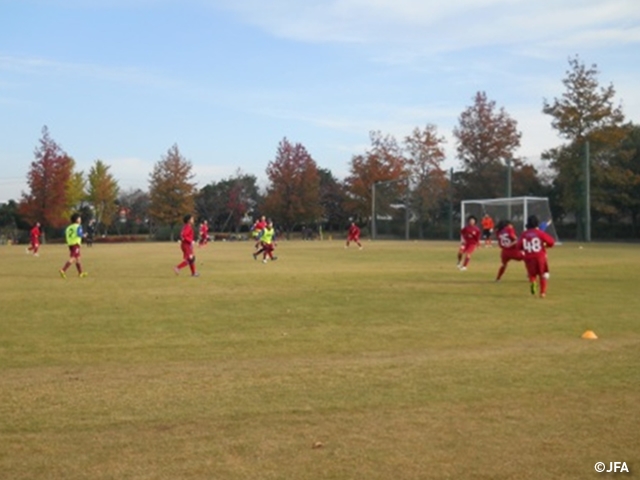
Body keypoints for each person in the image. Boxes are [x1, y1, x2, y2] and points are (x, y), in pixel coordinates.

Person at [517, 215, 555, 298]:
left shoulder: (524, 234)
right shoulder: (540, 233)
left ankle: (533, 286)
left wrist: (525, 248)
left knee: (532, 275)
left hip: (528, 257)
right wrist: (545, 245)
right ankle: (542, 293)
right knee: (543, 275)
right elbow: (551, 242)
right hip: (540, 256)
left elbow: (518, 246)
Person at [59, 213, 87, 278]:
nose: (80, 219)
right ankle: (63, 270)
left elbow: (66, 234)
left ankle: (80, 273)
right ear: (77, 219)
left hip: (70, 244)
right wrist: (84, 235)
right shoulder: (78, 226)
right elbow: (79, 234)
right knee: (73, 257)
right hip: (76, 244)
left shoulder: (69, 227)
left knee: (78, 258)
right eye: (79, 218)